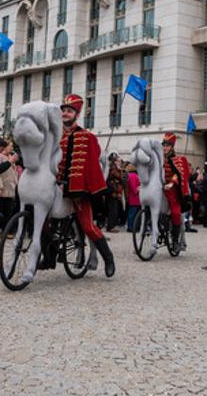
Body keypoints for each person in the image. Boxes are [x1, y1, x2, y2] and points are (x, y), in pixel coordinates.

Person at [57, 94, 115, 277]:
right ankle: (47, 256)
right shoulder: (55, 135)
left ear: (76, 114)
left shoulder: (86, 136)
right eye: (63, 110)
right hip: (56, 186)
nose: (65, 113)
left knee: (88, 226)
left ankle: (108, 258)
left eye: (69, 111)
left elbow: (94, 157)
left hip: (77, 189)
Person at [162, 132, 192, 244]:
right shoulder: (158, 158)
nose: (165, 148)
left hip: (173, 191)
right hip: (160, 188)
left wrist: (172, 183)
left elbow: (179, 174)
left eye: (167, 145)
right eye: (164, 145)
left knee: (175, 212)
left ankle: (175, 240)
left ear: (172, 147)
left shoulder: (178, 160)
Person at [0, 142, 20, 233]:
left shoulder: (10, 157)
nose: (12, 148)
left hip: (11, 188)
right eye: (10, 146)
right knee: (1, 210)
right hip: (2, 188)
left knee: (9, 211)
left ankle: (6, 230)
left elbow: (14, 172)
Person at [105, 153, 125, 232]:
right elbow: (118, 177)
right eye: (118, 160)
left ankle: (112, 225)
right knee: (113, 210)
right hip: (113, 192)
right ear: (115, 161)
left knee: (114, 210)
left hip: (115, 191)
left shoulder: (114, 168)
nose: (120, 162)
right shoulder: (113, 169)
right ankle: (111, 226)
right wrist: (120, 170)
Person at [124, 163, 141, 232]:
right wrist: (138, 190)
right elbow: (134, 187)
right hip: (134, 197)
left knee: (133, 212)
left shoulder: (130, 175)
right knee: (132, 213)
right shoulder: (133, 176)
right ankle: (131, 227)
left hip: (133, 197)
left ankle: (132, 226)